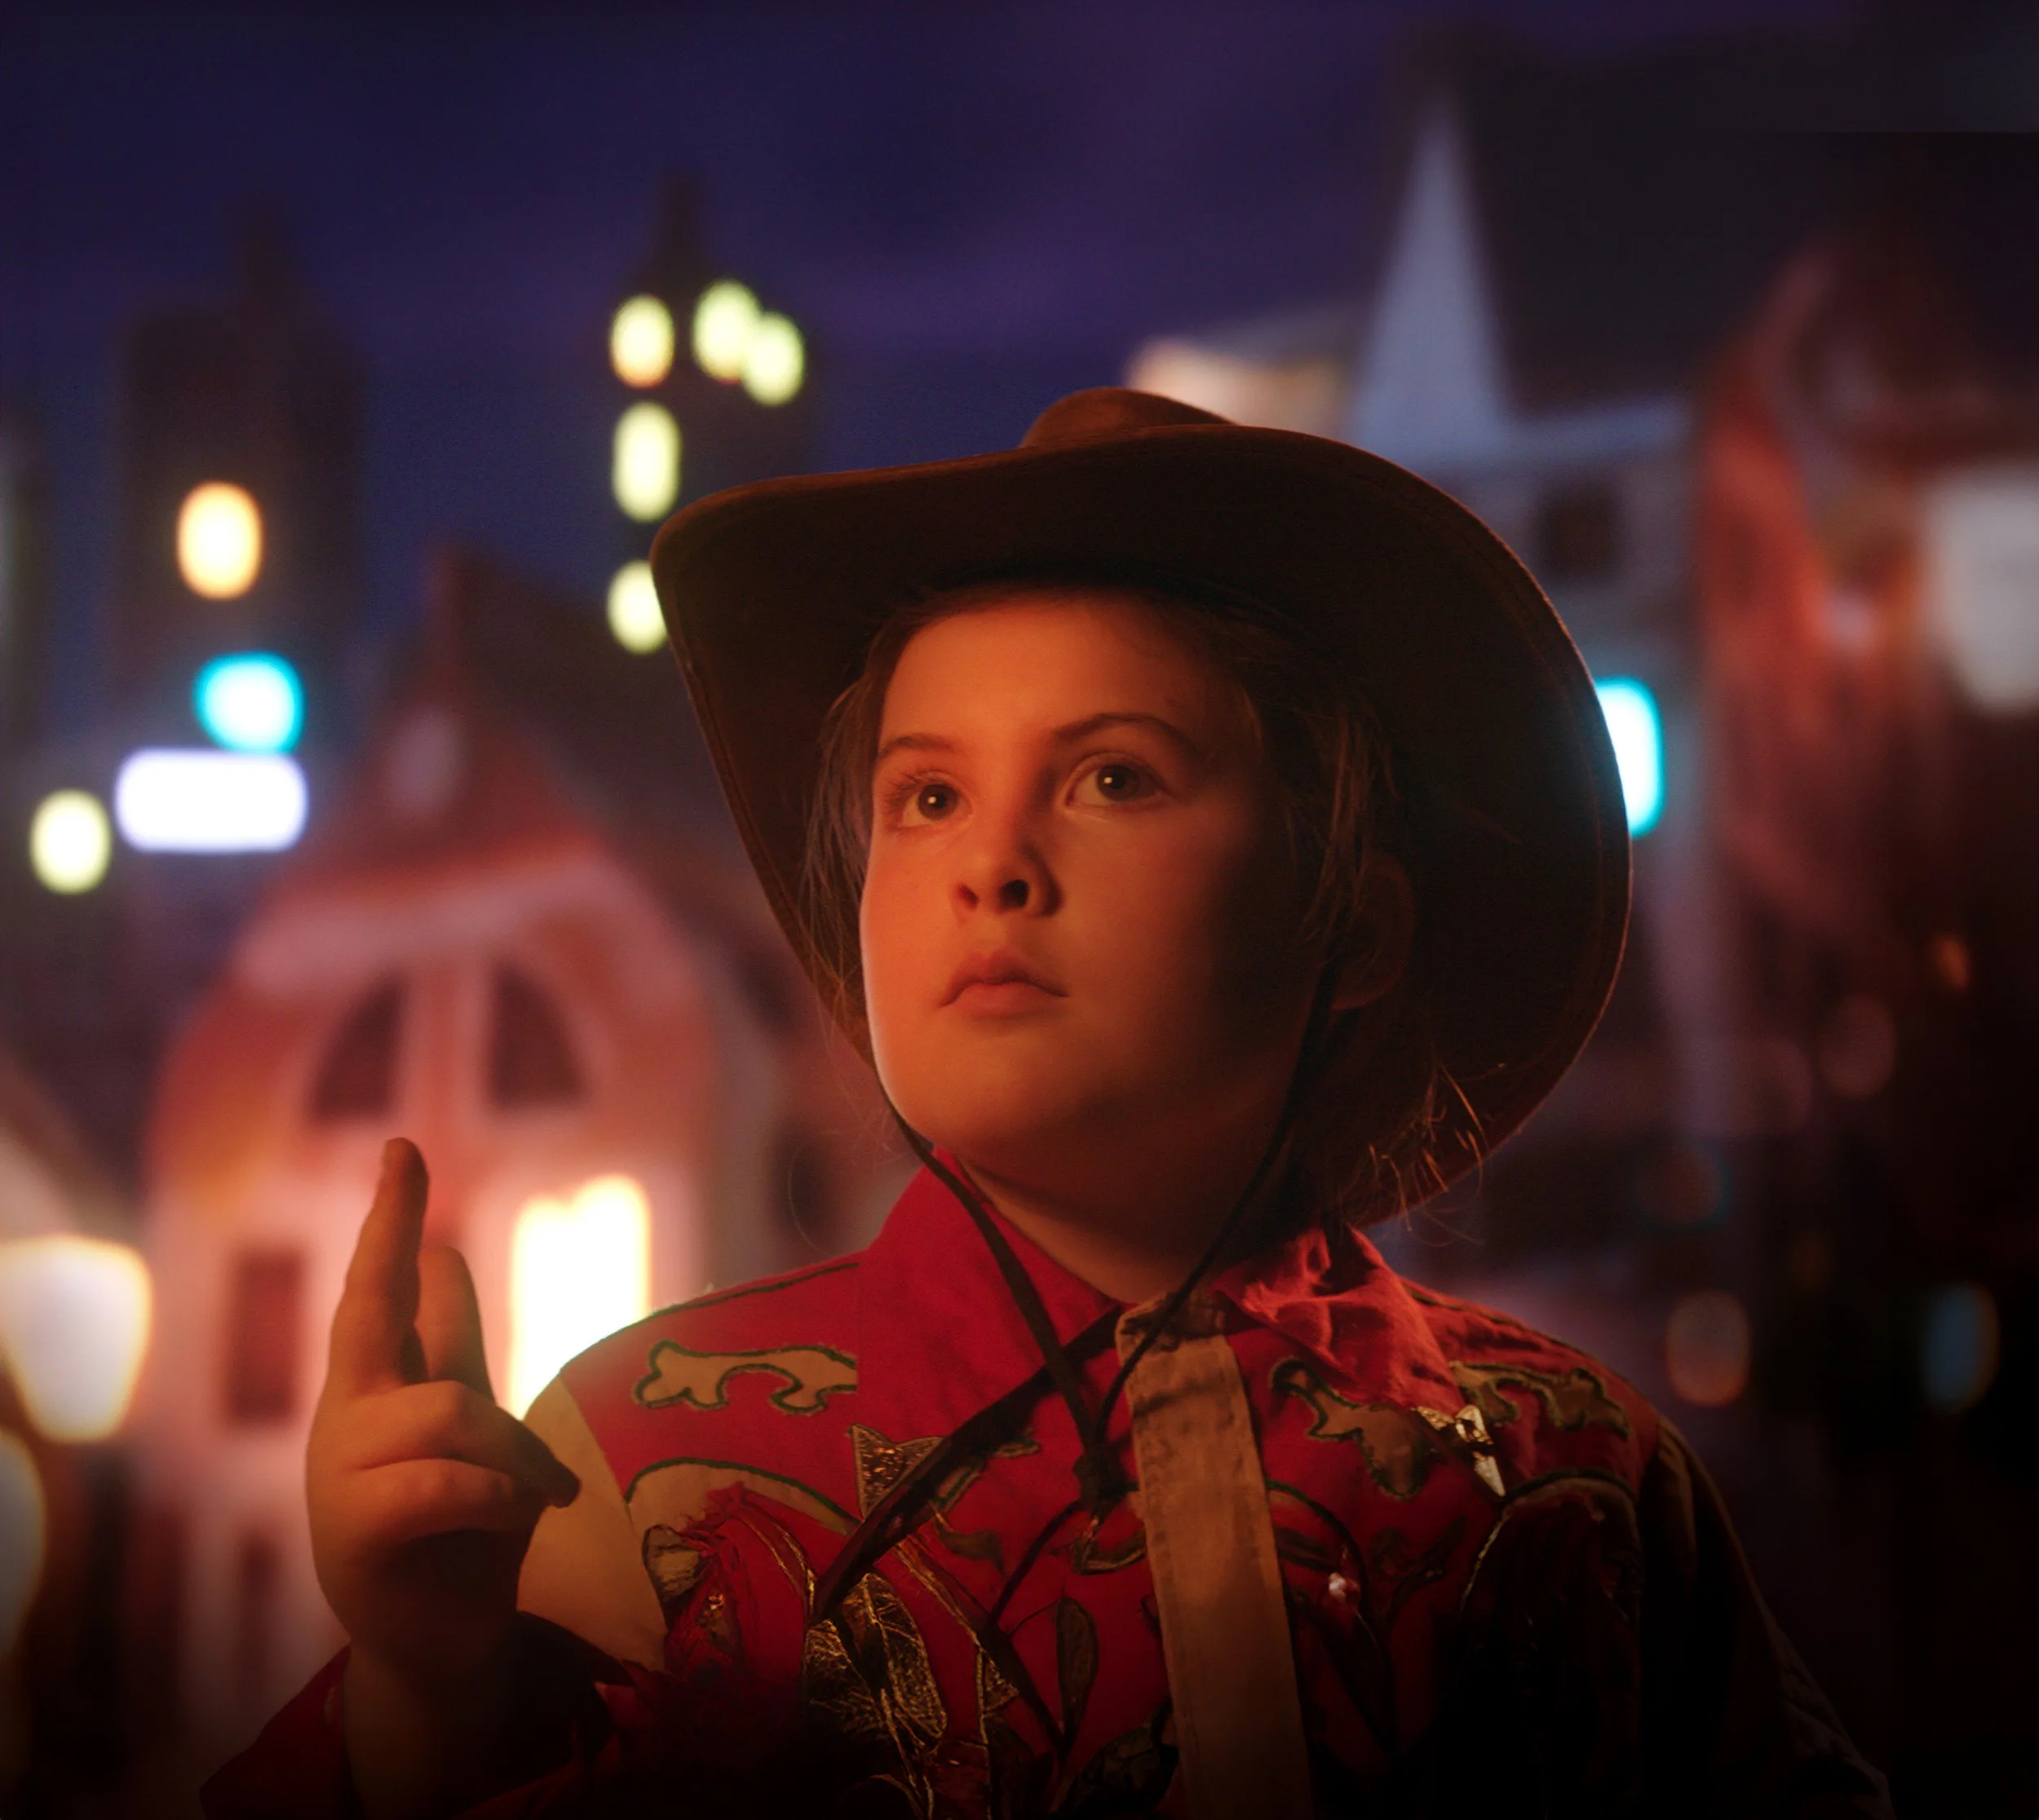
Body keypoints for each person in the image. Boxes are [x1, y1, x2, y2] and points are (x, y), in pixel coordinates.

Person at [207, 389, 1890, 1818]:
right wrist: (422, 1702)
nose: (993, 865)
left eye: (1113, 776)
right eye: (925, 797)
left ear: (1354, 926)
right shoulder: (641, 1473)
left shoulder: (1577, 1476)